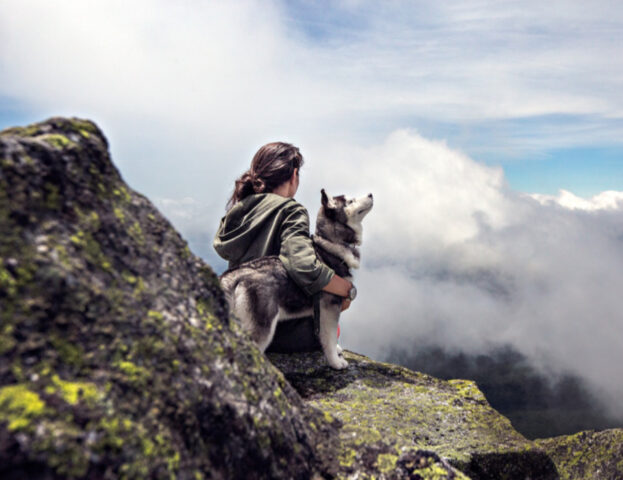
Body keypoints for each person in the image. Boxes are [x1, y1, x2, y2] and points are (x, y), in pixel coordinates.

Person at [213, 142, 353, 352]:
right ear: (294, 174)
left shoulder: (239, 211)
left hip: (241, 325)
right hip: (280, 333)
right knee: (331, 324)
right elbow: (303, 264)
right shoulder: (291, 210)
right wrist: (345, 289)